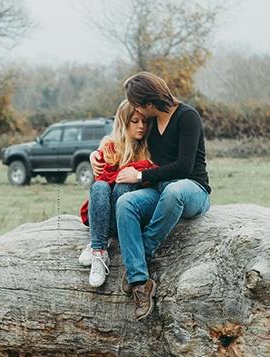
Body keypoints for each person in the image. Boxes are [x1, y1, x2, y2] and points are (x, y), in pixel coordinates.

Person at [114, 71, 211, 321]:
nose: (137, 110)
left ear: (148, 102)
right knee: (126, 203)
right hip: (159, 190)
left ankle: (141, 256)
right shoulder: (150, 123)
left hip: (191, 190)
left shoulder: (187, 116)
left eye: (137, 104)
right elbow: (123, 138)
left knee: (173, 190)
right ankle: (139, 282)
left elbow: (184, 167)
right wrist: (98, 154)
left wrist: (139, 177)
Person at [78, 99, 157, 288]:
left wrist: (135, 175)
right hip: (104, 212)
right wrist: (93, 155)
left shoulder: (150, 148)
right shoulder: (110, 147)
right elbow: (101, 178)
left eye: (144, 122)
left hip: (129, 217)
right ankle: (99, 251)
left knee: (123, 187)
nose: (141, 126)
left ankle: (99, 241)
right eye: (135, 121)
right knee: (99, 187)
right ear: (123, 122)